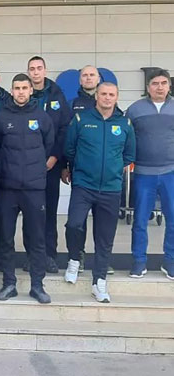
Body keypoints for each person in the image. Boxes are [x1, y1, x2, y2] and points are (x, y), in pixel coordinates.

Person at [64, 83, 135, 302]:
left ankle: (99, 281)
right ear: (96, 96)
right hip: (84, 185)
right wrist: (81, 168)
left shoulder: (124, 123)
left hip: (111, 189)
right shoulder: (81, 119)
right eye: (103, 94)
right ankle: (74, 259)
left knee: (105, 237)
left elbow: (129, 155)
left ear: (117, 97)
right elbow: (69, 148)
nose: (107, 98)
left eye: (111, 94)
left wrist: (113, 169)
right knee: (74, 224)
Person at [0, 74, 54, 304]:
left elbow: (49, 145)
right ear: (12, 91)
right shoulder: (2, 117)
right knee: (5, 237)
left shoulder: (42, 116)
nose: (20, 92)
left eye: (24, 88)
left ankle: (37, 285)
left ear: (31, 90)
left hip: (34, 188)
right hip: (7, 188)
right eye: (17, 88)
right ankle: (9, 283)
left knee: (36, 238)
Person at [127, 68, 174, 280]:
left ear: (169, 86)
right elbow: (126, 137)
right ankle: (139, 261)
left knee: (173, 219)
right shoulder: (135, 109)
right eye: (155, 83)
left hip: (170, 172)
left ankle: (170, 261)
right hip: (143, 173)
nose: (159, 87)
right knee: (140, 220)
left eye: (163, 83)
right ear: (148, 87)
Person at [27, 56, 72, 273]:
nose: (36, 72)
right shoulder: (23, 95)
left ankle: (49, 255)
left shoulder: (56, 95)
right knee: (31, 214)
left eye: (39, 68)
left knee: (49, 212)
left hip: (50, 165)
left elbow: (64, 129)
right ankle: (32, 256)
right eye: (32, 69)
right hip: (27, 167)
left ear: (45, 70)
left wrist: (55, 157)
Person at [62, 65, 102, 273]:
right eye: (84, 75)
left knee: (103, 221)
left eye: (91, 75)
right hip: (81, 172)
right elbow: (67, 138)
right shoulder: (72, 105)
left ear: (98, 79)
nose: (88, 78)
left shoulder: (108, 102)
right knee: (78, 221)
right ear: (79, 80)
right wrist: (66, 166)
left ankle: (102, 260)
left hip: (105, 175)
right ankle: (78, 256)